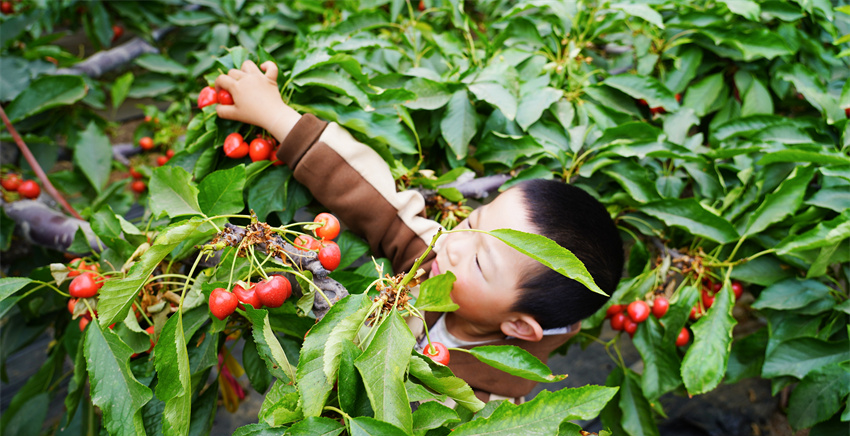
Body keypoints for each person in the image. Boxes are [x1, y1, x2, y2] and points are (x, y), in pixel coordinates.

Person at [215, 60, 624, 403]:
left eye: (480, 263)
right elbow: (373, 195)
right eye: (472, 222)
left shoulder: (479, 408)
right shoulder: (438, 257)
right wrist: (275, 115)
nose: (455, 242)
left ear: (518, 327)